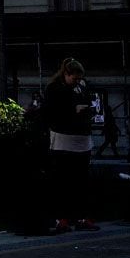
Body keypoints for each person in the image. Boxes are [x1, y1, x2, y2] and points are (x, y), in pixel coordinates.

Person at [41, 59, 98, 234]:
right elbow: (52, 112)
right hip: (63, 137)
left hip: (81, 137)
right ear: (66, 74)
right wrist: (74, 110)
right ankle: (61, 218)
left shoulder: (81, 86)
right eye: (74, 78)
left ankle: (80, 216)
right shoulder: (54, 89)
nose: (77, 81)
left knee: (81, 181)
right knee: (63, 180)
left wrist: (87, 109)